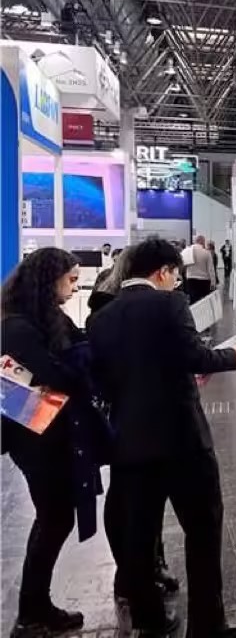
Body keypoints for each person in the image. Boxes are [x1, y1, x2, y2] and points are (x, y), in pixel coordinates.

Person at [89, 238, 236, 636]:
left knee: (139, 537)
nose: (177, 283)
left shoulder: (101, 319)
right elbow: (195, 356)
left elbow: (105, 382)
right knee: (203, 531)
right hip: (183, 442)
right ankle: (207, 624)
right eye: (175, 276)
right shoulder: (170, 304)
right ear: (163, 272)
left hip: (131, 444)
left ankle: (150, 622)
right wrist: (234, 356)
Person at [2, 248, 102, 635]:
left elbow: (78, 354)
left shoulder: (45, 319)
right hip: (33, 437)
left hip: (49, 432)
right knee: (54, 517)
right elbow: (56, 374)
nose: (75, 286)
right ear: (49, 279)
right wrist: (79, 371)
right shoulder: (18, 327)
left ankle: (36, 606)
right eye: (71, 279)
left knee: (56, 517)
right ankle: (31, 612)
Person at [180, 235, 218, 303]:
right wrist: (213, 283)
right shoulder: (206, 253)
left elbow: (182, 265)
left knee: (193, 300)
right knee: (204, 301)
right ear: (201, 241)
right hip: (204, 281)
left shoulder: (187, 251)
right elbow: (211, 269)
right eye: (204, 241)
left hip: (191, 280)